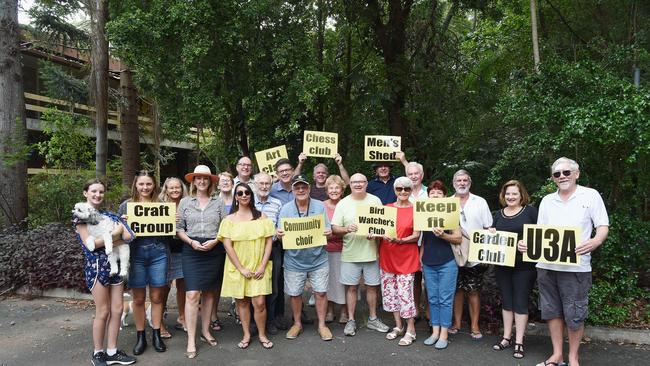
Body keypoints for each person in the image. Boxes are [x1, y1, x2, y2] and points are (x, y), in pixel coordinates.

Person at [522, 157, 609, 366]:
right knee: (551, 311)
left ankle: (573, 358)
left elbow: (603, 226)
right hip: (546, 266)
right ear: (553, 178)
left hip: (576, 267)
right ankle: (557, 355)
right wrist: (528, 245)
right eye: (557, 174)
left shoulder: (590, 196)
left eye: (566, 172)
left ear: (576, 174)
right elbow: (540, 233)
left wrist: (595, 241)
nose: (562, 176)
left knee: (575, 313)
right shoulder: (547, 200)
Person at [75, 179, 136, 366]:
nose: (97, 195)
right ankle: (98, 353)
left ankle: (112, 351)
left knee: (117, 309)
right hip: (97, 268)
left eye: (101, 192)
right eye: (93, 191)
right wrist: (114, 234)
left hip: (115, 265)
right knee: (102, 311)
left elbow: (129, 236)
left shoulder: (108, 215)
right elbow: (90, 245)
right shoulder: (81, 216)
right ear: (86, 193)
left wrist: (117, 233)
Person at [176, 165, 226, 359]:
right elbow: (179, 228)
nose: (202, 181)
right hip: (192, 249)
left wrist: (216, 240)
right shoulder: (185, 202)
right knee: (192, 294)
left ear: (210, 181)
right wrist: (191, 242)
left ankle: (205, 331)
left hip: (214, 249)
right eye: (199, 178)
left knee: (210, 293)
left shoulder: (219, 202)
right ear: (193, 181)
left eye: (206, 178)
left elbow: (225, 226)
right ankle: (191, 339)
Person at [331, 173, 390, 336]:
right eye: (355, 182)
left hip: (371, 252)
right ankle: (351, 320)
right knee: (351, 288)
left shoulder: (375, 200)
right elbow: (335, 228)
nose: (358, 184)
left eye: (361, 182)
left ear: (366, 184)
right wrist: (346, 229)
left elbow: (382, 226)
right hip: (350, 253)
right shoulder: (343, 203)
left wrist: (376, 234)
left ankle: (372, 319)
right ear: (350, 184)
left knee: (372, 287)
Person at [218, 182, 275, 350]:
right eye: (240, 193)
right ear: (236, 197)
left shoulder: (262, 217)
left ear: (251, 195)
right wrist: (241, 268)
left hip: (259, 266)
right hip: (238, 267)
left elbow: (268, 243)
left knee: (259, 303)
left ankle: (262, 334)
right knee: (242, 303)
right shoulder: (228, 220)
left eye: (247, 192)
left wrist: (263, 266)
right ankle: (246, 334)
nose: (244, 195)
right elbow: (227, 246)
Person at [276, 175, 333, 341]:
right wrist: (279, 235)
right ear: (293, 190)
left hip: (318, 259)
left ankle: (322, 324)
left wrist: (328, 233)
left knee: (321, 293)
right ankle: (297, 323)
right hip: (294, 260)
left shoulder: (319, 206)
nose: (300, 190)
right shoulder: (286, 209)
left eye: (304, 187)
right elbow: (281, 235)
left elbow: (327, 231)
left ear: (309, 189)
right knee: (295, 294)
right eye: (297, 187)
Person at [118, 170, 168, 355]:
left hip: (158, 252)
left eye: (149, 184)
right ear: (136, 185)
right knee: (138, 298)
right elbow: (119, 236)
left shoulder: (161, 205)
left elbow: (169, 233)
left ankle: (156, 334)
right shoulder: (126, 206)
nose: (145, 187)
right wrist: (123, 224)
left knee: (157, 297)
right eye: (141, 184)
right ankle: (141, 336)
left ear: (154, 185)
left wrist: (173, 221)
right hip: (135, 253)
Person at [490, 180, 538, 359]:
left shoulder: (531, 212)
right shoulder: (498, 214)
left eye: (514, 194)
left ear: (521, 195)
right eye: (507, 194)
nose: (510, 197)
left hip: (524, 266)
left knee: (520, 302)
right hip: (503, 265)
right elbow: (492, 237)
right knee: (507, 301)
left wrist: (528, 244)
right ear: (504, 196)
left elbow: (540, 236)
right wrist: (491, 233)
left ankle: (519, 341)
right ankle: (506, 337)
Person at [449, 169, 493, 340]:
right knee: (457, 290)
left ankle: (475, 326)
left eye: (465, 180)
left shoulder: (479, 202)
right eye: (458, 180)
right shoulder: (447, 202)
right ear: (453, 183)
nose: (462, 183)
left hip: (475, 253)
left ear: (470, 182)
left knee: (474, 291)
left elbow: (488, 226)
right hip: (454, 253)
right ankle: (457, 323)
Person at [379, 177, 421, 346]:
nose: (403, 192)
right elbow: (379, 230)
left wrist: (401, 240)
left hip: (406, 258)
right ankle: (398, 326)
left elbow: (417, 235)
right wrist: (373, 234)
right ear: (395, 190)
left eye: (406, 189)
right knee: (391, 294)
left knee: (405, 295)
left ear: (411, 190)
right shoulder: (387, 208)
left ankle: (411, 329)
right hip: (387, 257)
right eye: (399, 189)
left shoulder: (416, 210)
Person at [420, 180, 462, 349]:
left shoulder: (451, 212)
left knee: (445, 299)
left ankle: (444, 334)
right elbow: (422, 240)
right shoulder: (422, 213)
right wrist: (420, 259)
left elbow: (458, 238)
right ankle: (435, 332)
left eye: (439, 193)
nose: (435, 195)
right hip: (428, 262)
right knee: (432, 298)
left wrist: (443, 235)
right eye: (432, 193)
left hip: (447, 262)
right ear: (428, 196)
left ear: (445, 196)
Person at [253, 172, 286, 335]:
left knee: (273, 287)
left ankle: (270, 320)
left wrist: (280, 233)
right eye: (261, 184)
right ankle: (254, 322)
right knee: (253, 286)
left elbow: (280, 226)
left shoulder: (278, 203)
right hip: (252, 250)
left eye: (267, 184)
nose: (264, 187)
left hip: (273, 248)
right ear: (255, 185)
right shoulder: (248, 201)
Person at [158, 177, 189, 338]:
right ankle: (159, 319)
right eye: (171, 188)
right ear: (166, 189)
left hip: (183, 248)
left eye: (178, 187)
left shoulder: (188, 203)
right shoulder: (159, 205)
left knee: (183, 284)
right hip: (165, 248)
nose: (175, 190)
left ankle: (182, 316)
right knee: (164, 286)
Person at [323, 175, 348, 324]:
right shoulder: (320, 205)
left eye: (337, 187)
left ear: (342, 190)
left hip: (345, 249)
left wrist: (335, 232)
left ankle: (345, 310)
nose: (334, 190)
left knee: (345, 280)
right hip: (325, 249)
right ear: (326, 190)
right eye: (331, 188)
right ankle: (330, 310)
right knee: (328, 282)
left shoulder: (347, 204)